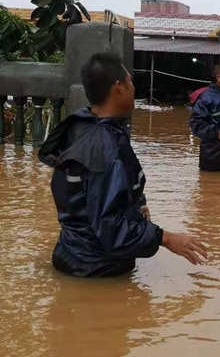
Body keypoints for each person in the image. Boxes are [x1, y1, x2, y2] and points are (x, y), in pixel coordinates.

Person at [39, 52, 207, 277]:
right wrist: (165, 238)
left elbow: (89, 198)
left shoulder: (82, 125)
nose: (133, 88)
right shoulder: (104, 148)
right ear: (118, 88)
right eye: (130, 82)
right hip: (97, 272)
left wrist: (134, 206)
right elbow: (111, 230)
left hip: (73, 255)